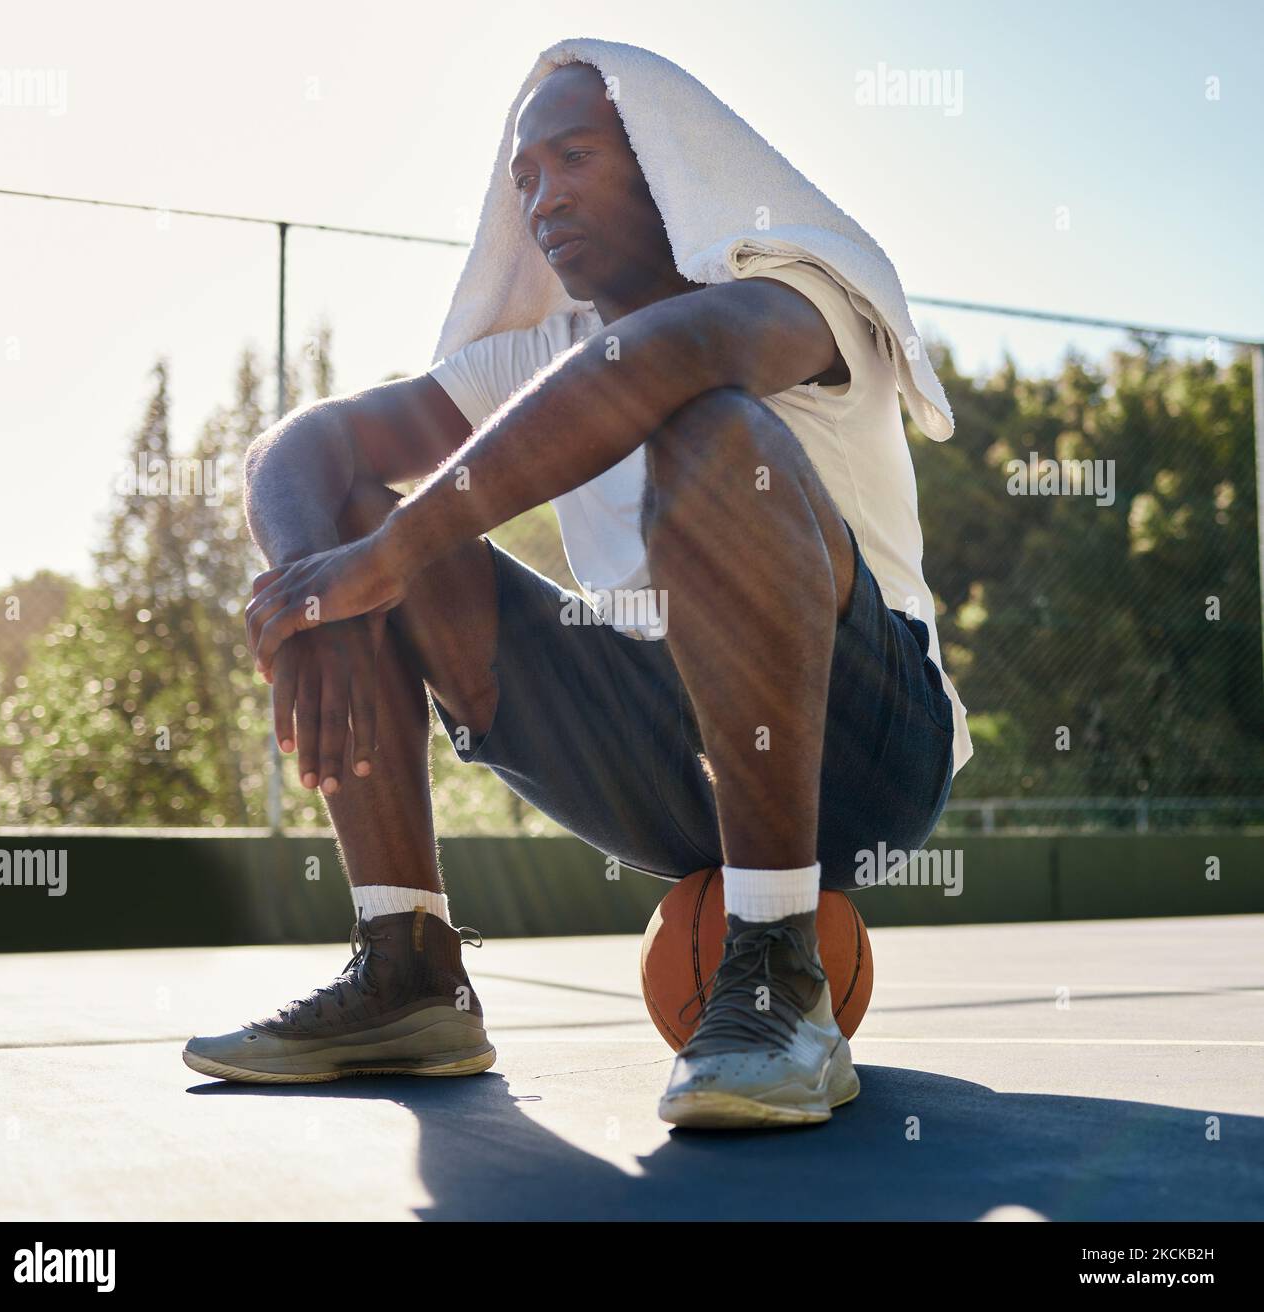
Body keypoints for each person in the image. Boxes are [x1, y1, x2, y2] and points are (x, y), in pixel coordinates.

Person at [184, 46, 971, 1129]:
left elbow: (659, 360)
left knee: (708, 428)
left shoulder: (800, 294)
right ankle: (408, 968)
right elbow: (298, 444)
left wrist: (391, 556)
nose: (542, 197)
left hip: (869, 745)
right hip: (666, 758)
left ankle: (780, 971)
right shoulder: (541, 353)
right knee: (345, 517)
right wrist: (310, 599)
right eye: (526, 176)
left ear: (662, 163)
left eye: (574, 157)